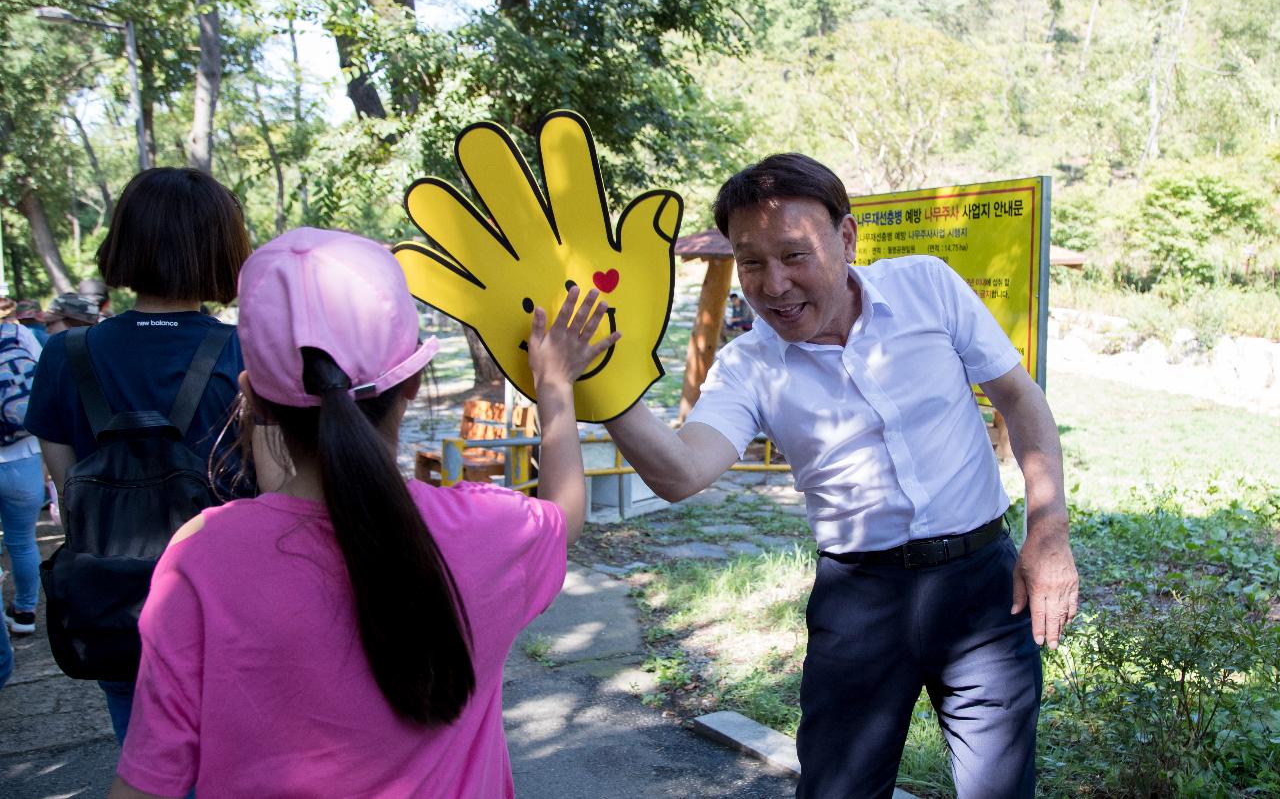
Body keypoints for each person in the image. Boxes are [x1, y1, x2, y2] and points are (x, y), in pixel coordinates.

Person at [602, 154, 1078, 798]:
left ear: (846, 238)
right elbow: (683, 471)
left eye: (794, 256)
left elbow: (1020, 398)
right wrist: (603, 388)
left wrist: (1048, 531)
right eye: (752, 263)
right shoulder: (749, 366)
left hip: (981, 591)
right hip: (861, 600)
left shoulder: (926, 287)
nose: (773, 285)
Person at [108, 227, 614, 797]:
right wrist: (554, 385)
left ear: (248, 393)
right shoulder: (488, 531)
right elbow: (565, 515)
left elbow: (148, 782)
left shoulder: (200, 559)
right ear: (415, 383)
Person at [25, 167, 252, 745]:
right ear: (223, 247)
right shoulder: (244, 350)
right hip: (226, 604)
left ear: (123, 241)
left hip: (116, 608)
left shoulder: (63, 354)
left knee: (145, 755)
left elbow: (72, 491)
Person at [0, 301, 44, 640]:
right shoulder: (20, 334)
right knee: (23, 541)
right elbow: (41, 386)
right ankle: (26, 611)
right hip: (23, 455)